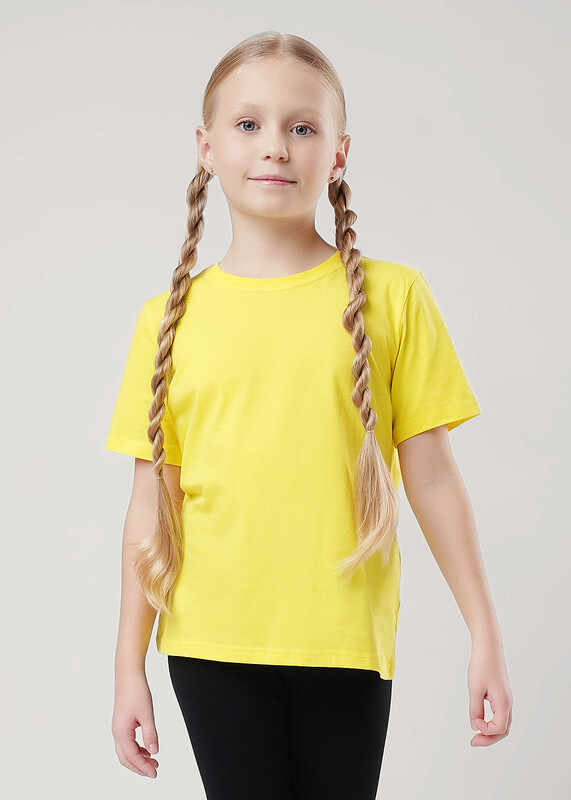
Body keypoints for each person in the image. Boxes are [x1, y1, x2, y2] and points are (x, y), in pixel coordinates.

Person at [105, 30, 513, 800]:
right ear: (206, 147)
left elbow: (432, 479)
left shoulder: (394, 297)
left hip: (343, 638)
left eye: (301, 127)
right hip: (211, 640)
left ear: (338, 153)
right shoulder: (165, 320)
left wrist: (483, 632)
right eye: (247, 124)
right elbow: (150, 504)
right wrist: (129, 667)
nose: (274, 146)